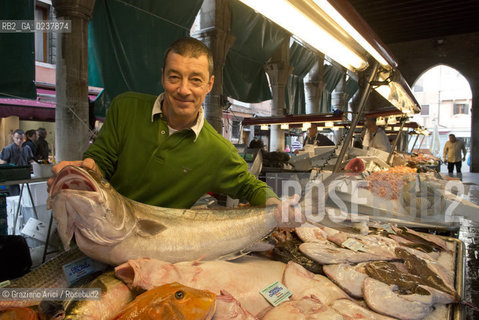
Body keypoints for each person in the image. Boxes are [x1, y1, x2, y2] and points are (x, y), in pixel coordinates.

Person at [48, 37, 300, 224]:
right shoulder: (125, 107)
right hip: (104, 227)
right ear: (163, 77)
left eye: (195, 80)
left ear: (209, 85)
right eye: (175, 77)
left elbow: (250, 187)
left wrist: (277, 206)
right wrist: (85, 173)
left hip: (161, 249)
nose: (183, 89)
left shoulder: (216, 150)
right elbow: (101, 160)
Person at [0, 129, 35, 195]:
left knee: (26, 196)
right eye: (17, 138)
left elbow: (31, 161)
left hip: (24, 176)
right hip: (12, 177)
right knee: (15, 196)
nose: (19, 140)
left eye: (21, 138)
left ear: (24, 138)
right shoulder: (8, 149)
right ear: (13, 137)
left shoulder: (27, 148)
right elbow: (2, 164)